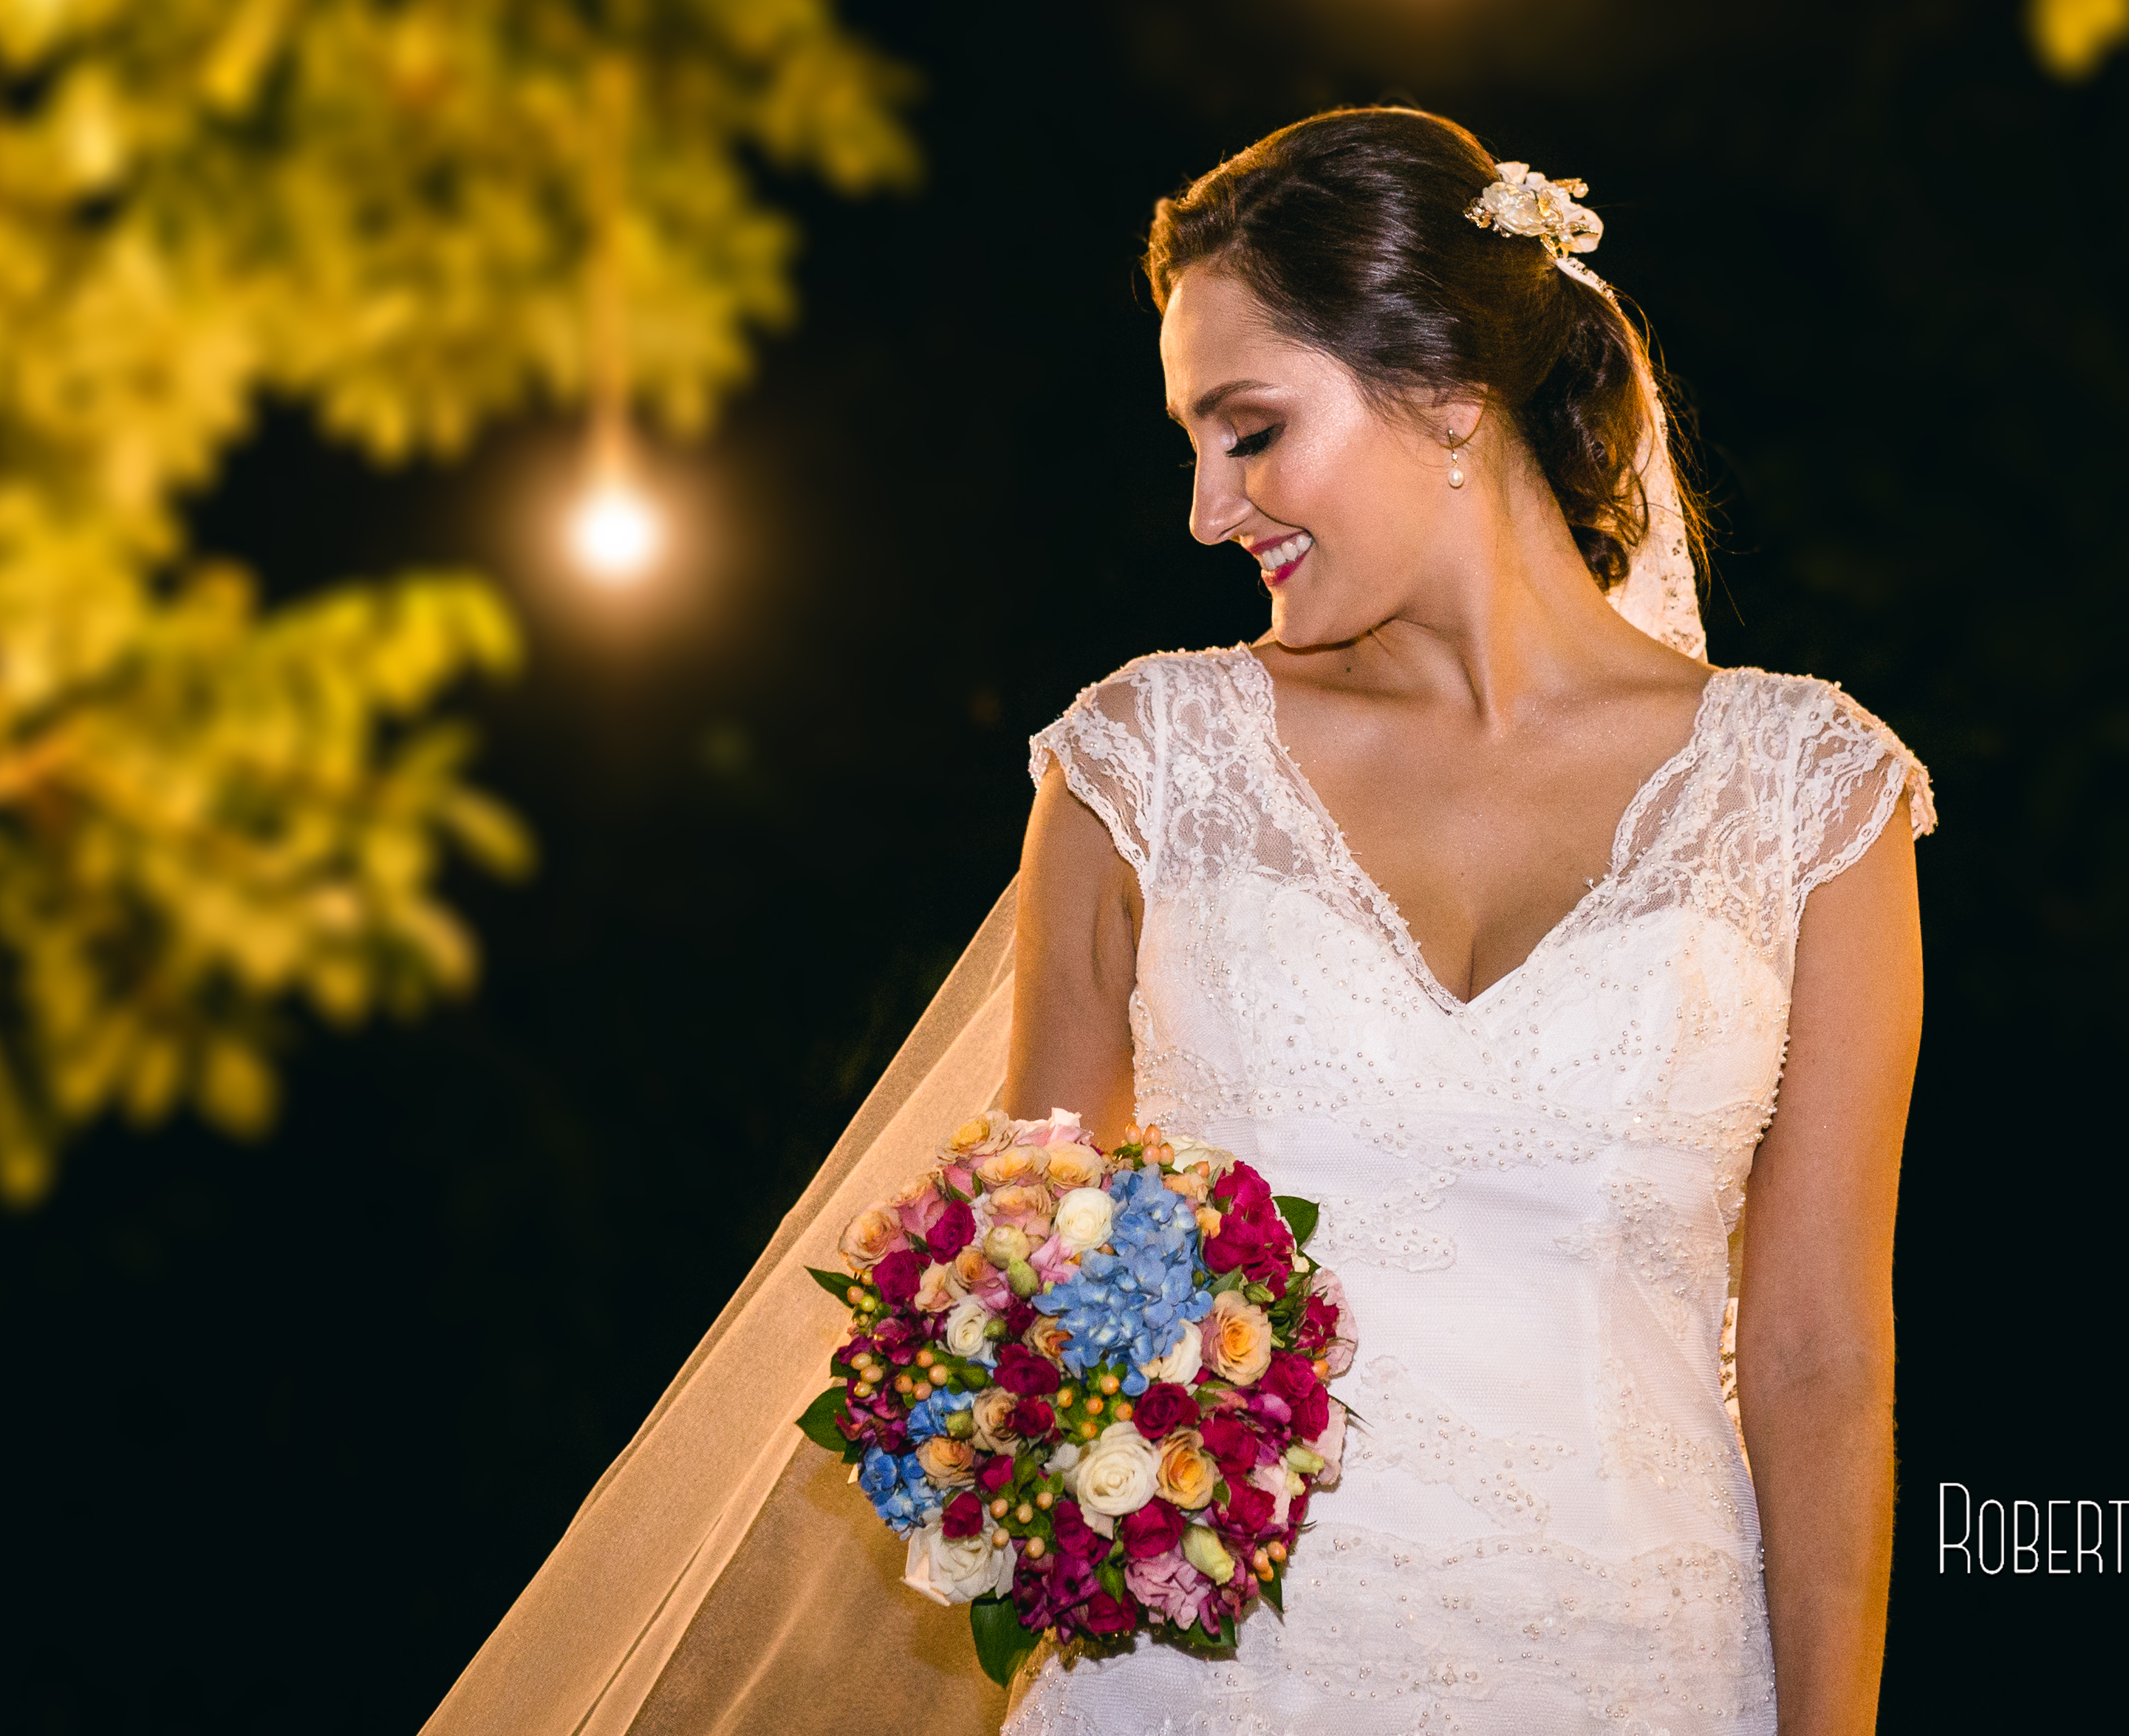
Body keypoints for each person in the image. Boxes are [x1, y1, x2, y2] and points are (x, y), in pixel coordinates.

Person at [420, 106, 1927, 1736]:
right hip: (1210, 1690)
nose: (1210, 509)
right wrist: (996, 1403)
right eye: (1192, 442)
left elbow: (1816, 1351)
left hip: (1642, 1671)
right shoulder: (1140, 765)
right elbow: (1026, 1273)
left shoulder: (1808, 793)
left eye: (1252, 429)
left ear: (1450, 399)